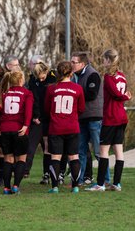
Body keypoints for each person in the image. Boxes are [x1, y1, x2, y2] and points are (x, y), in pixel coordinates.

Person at [86, 48, 132, 192]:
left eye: (104, 59)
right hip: (121, 117)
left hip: (111, 117)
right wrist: (126, 96)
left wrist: (125, 97)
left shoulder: (108, 77)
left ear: (109, 60)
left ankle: (100, 184)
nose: (103, 61)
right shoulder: (122, 76)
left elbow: (117, 94)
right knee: (119, 150)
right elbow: (122, 93)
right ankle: (116, 183)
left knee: (103, 150)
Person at [45, 61, 85, 193]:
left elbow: (46, 109)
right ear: (71, 73)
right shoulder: (77, 88)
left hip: (56, 127)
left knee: (55, 157)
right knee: (74, 156)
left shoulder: (51, 89)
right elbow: (81, 109)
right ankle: (75, 187)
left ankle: (55, 187)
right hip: (72, 127)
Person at [71, 51, 110, 185]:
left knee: (99, 151)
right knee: (80, 150)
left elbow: (92, 94)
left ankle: (105, 180)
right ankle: (79, 180)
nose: (72, 65)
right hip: (81, 118)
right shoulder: (74, 76)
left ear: (82, 63)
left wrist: (76, 95)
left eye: (74, 62)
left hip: (94, 117)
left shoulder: (92, 74)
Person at [0, 71, 33, 194]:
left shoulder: (4, 94)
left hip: (5, 129)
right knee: (21, 159)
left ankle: (6, 188)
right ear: (21, 80)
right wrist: (26, 125)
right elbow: (28, 111)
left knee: (8, 159)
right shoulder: (27, 93)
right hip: (19, 129)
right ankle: (15, 186)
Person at [25, 55, 56, 183]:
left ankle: (48, 174)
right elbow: (34, 99)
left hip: (49, 118)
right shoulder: (32, 80)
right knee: (31, 145)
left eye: (42, 76)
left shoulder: (53, 77)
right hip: (37, 119)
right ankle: (24, 171)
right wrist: (35, 116)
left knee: (48, 147)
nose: (41, 79)